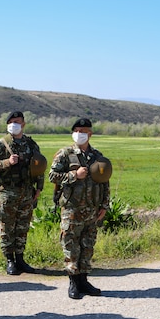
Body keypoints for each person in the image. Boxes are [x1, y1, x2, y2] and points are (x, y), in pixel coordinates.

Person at [48, 118, 110, 299]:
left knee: (87, 245)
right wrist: (74, 175)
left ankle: (84, 280)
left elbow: (105, 182)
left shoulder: (97, 156)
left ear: (90, 134)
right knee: (71, 245)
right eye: (77, 130)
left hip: (92, 209)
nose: (80, 134)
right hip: (72, 209)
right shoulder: (65, 154)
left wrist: (104, 206)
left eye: (84, 131)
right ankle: (73, 282)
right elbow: (53, 176)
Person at [0, 111, 44, 275]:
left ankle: (20, 258)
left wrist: (39, 188)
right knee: (7, 226)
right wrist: (6, 162)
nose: (13, 124)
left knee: (23, 226)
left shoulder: (31, 144)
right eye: (10, 122)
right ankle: (9, 260)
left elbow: (39, 167)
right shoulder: (1, 144)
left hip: (26, 191)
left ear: (23, 124)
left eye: (17, 121)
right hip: (7, 191)